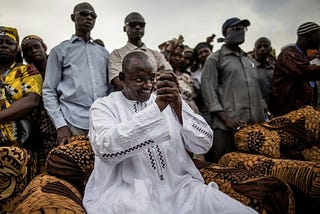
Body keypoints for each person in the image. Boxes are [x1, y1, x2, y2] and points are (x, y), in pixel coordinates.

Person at [83, 50, 257, 214]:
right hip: (129, 192)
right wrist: (157, 109)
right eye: (139, 79)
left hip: (182, 188)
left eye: (152, 78)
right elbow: (105, 147)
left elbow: (203, 144)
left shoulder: (170, 101)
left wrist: (179, 106)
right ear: (122, 78)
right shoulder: (104, 105)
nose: (148, 85)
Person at [42, 2, 110, 145]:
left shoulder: (104, 53)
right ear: (73, 18)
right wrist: (61, 125)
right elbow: (49, 90)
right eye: (84, 14)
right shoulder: (60, 51)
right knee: (73, 165)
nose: (89, 18)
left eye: (93, 15)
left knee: (103, 166)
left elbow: (110, 88)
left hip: (102, 122)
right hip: (72, 122)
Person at [201, 17, 267, 163]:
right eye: (236, 28)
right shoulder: (215, 59)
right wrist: (226, 119)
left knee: (253, 166)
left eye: (243, 28)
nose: (241, 32)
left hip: (253, 126)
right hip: (227, 127)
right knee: (226, 169)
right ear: (225, 33)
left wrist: (264, 113)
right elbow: (209, 91)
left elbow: (256, 90)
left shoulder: (248, 59)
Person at [0, 26, 43, 176]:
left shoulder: (26, 71)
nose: (4, 45)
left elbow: (31, 100)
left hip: (18, 145)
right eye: (0, 42)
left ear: (16, 49)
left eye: (9, 43)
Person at [21, 35, 58, 171]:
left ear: (44, 48)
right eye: (28, 50)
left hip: (61, 120)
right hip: (39, 126)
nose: (33, 51)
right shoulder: (26, 73)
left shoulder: (57, 65)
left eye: (36, 47)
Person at [109, 12, 172, 91]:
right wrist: (155, 79)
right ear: (125, 28)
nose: (138, 27)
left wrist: (135, 80)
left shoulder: (156, 54)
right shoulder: (117, 54)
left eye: (141, 25)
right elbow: (119, 82)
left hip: (156, 101)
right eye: (133, 24)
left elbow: (169, 75)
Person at [270, 22, 320, 116]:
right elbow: (306, 71)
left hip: (301, 113)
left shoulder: (302, 56)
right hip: (289, 114)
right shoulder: (288, 54)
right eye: (318, 35)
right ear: (310, 35)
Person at [192, 41, 213, 124]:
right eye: (200, 53)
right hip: (208, 110)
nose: (203, 54)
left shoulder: (223, 67)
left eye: (206, 51)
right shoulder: (196, 75)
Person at [252, 37, 275, 108]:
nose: (262, 49)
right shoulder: (249, 68)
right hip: (257, 109)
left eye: (266, 46)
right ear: (254, 50)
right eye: (259, 46)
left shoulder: (275, 68)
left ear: (270, 50)